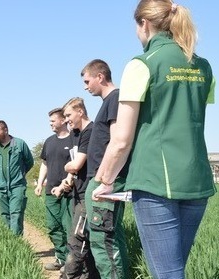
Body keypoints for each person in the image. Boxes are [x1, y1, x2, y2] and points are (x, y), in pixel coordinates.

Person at [93, 1, 216, 278]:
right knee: (174, 271)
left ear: (144, 24)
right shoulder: (204, 67)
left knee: (167, 274)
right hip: (196, 181)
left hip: (156, 182)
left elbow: (121, 140)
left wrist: (106, 181)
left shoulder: (142, 64)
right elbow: (188, 117)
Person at [80, 59, 130, 279]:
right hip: (103, 178)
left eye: (87, 80)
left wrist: (104, 178)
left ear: (100, 76)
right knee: (109, 236)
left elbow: (118, 140)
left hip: (106, 179)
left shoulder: (115, 99)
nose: (85, 86)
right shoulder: (108, 101)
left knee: (103, 239)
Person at [60, 97, 98, 279]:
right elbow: (75, 168)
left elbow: (75, 165)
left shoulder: (91, 131)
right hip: (79, 191)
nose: (66, 119)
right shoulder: (77, 133)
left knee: (77, 241)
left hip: (89, 194)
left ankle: (68, 276)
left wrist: (68, 168)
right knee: (84, 242)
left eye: (68, 115)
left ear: (80, 111)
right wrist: (68, 180)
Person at [34, 108, 73, 271]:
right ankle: (60, 258)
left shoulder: (74, 140)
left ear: (63, 120)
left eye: (52, 121)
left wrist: (66, 185)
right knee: (53, 226)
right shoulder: (49, 141)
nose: (50, 124)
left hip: (69, 192)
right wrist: (39, 183)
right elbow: (45, 163)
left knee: (69, 226)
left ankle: (72, 262)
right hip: (51, 191)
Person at [0, 120, 34, 236]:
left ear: (5, 130)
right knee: (4, 215)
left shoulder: (19, 144)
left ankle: (16, 242)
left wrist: (20, 174)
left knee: (16, 214)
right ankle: (9, 241)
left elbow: (29, 162)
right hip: (0, 187)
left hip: (17, 186)